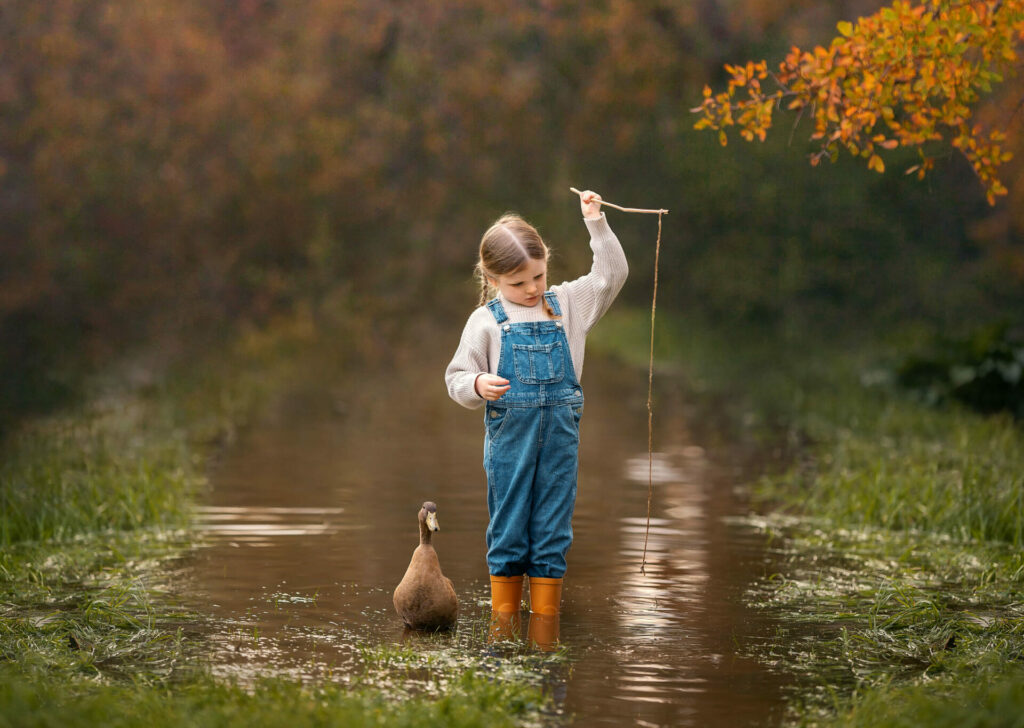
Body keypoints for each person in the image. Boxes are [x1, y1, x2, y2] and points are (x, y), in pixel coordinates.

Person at [444, 190, 628, 620]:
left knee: (551, 534)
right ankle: (502, 627)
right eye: (518, 282)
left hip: (560, 444)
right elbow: (455, 377)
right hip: (510, 447)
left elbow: (612, 274)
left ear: (547, 265)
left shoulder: (568, 305)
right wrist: (477, 382)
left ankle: (546, 633)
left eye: (538, 276)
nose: (531, 289)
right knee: (509, 533)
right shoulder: (486, 321)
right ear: (491, 279)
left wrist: (595, 222)